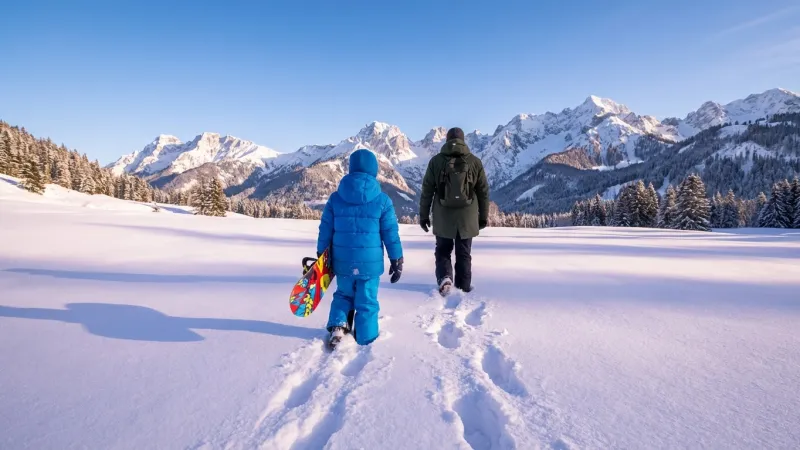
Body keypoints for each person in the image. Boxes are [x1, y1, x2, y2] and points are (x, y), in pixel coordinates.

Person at [317, 148, 404, 348]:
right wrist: (396, 258)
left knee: (343, 294)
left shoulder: (335, 198)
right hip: (370, 265)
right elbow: (390, 233)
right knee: (367, 302)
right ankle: (367, 341)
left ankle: (338, 326)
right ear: (374, 170)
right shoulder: (382, 200)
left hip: (342, 261)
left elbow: (325, 229)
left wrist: (321, 254)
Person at [419, 127, 489, 295]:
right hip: (467, 217)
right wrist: (483, 216)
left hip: (443, 216)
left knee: (443, 250)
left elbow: (427, 191)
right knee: (464, 253)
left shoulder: (436, 162)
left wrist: (423, 215)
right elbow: (483, 192)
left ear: (446, 141)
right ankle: (464, 287)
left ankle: (445, 278)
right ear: (463, 141)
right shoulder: (475, 162)